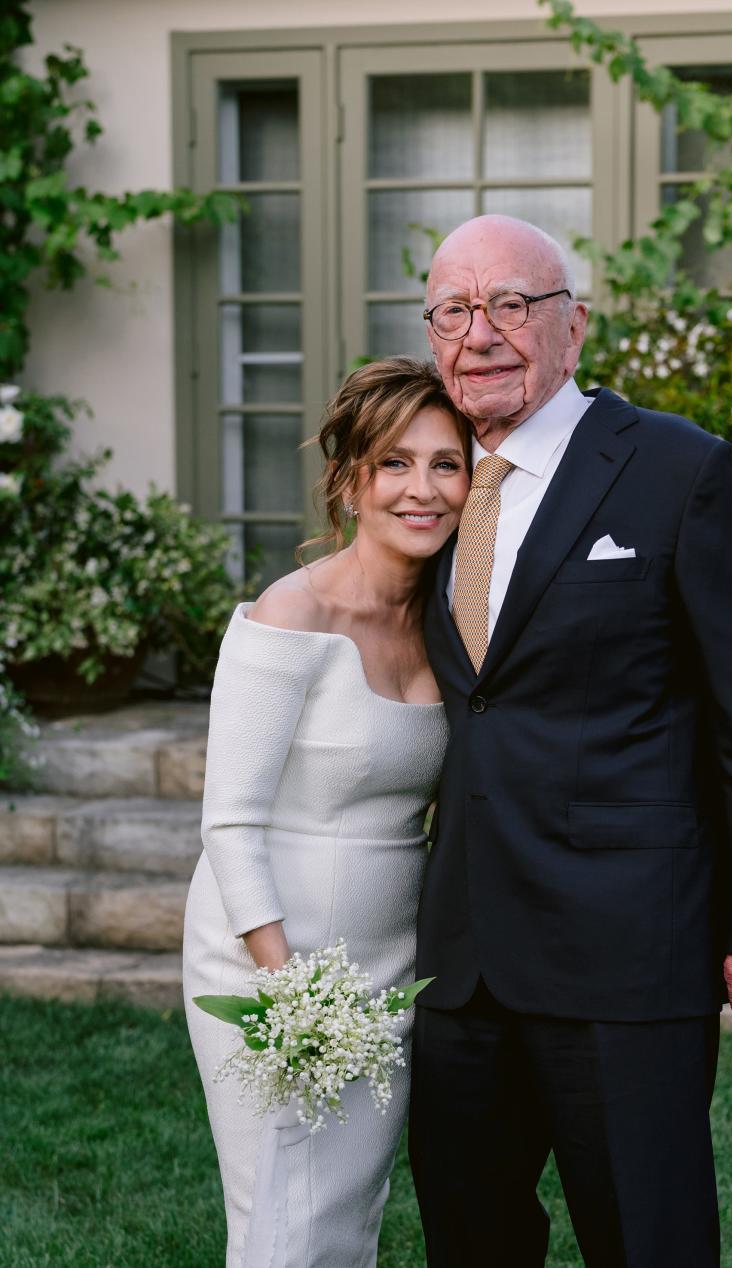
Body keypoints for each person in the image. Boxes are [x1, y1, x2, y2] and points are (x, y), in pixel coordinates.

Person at [408, 215, 732, 1267]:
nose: (481, 333)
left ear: (574, 326)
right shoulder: (430, 484)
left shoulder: (677, 469)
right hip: (463, 960)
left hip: (630, 954)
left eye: (512, 304)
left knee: (648, 1240)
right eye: (455, 310)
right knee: (470, 1236)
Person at [182, 357, 471, 1268]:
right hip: (274, 955)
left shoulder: (453, 623)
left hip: (389, 962)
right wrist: (291, 994)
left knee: (349, 1209)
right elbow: (228, 821)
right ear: (349, 480)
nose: (422, 490)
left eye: (447, 463)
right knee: (282, 1212)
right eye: (395, 463)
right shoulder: (289, 614)